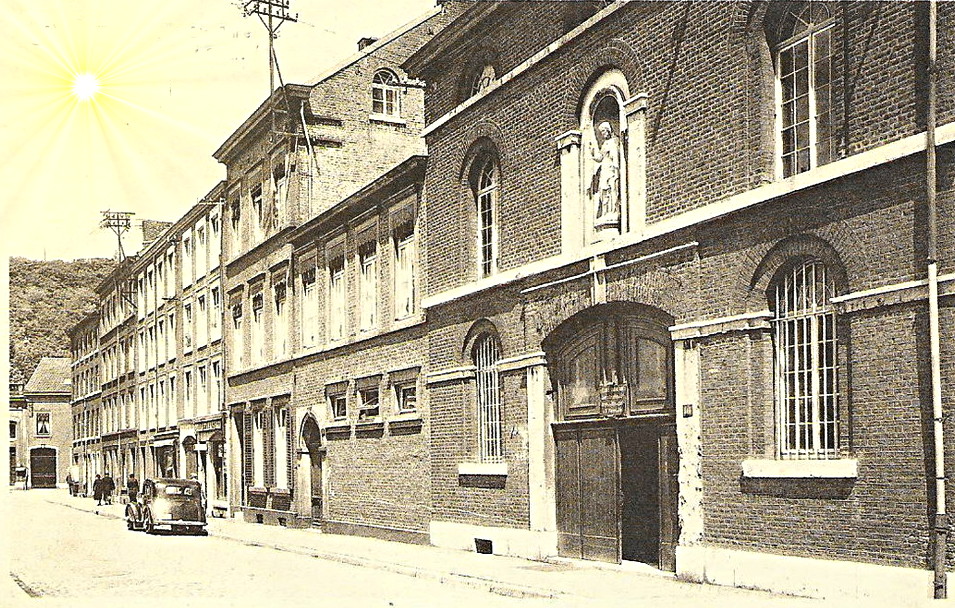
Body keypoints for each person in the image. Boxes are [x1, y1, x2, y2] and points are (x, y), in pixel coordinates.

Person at [589, 120, 621, 221]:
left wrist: (616, 169)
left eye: (604, 131)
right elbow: (600, 157)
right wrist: (592, 154)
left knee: (612, 189)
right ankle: (605, 212)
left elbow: (616, 156)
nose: (603, 134)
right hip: (605, 169)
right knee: (603, 190)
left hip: (611, 169)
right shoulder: (605, 144)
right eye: (601, 132)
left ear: (608, 130)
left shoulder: (614, 142)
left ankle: (613, 211)